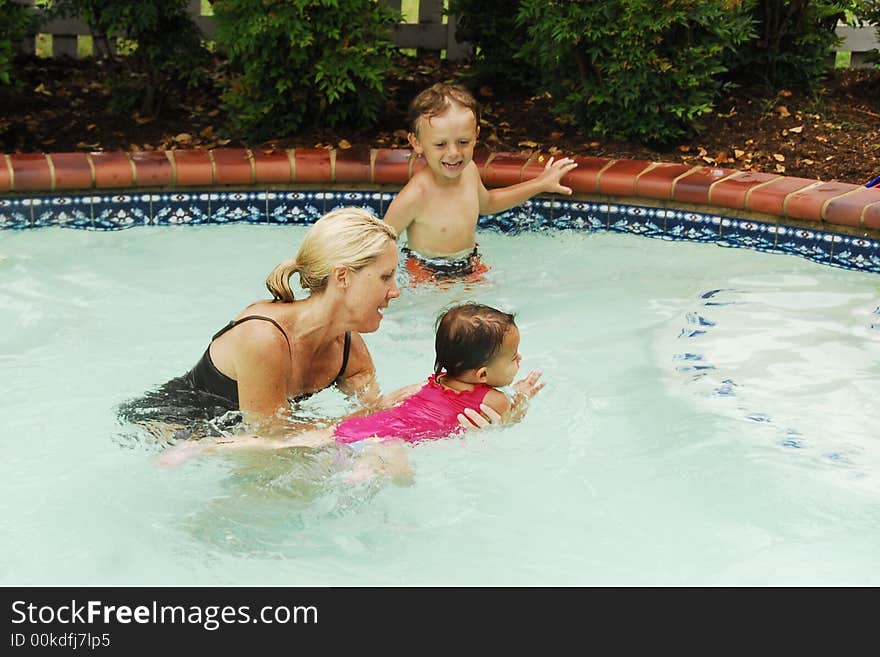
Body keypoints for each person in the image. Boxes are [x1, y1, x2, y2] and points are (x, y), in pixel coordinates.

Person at [118, 207, 412, 439]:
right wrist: (363, 420)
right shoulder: (263, 338)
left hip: (223, 442)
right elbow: (269, 438)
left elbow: (374, 416)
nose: (395, 291)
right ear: (343, 277)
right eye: (386, 276)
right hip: (158, 435)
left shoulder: (348, 349)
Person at [157, 303, 545, 478]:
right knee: (396, 469)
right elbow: (509, 418)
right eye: (513, 359)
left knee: (289, 443)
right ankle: (359, 475)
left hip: (361, 426)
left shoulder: (431, 382)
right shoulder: (493, 399)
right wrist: (523, 396)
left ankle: (201, 447)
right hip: (390, 438)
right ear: (480, 375)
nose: (519, 362)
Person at [383, 82, 578, 282]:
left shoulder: (469, 171)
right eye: (441, 144)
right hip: (425, 269)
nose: (453, 153)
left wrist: (540, 184)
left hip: (469, 262)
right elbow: (381, 243)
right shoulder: (416, 195)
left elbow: (489, 203)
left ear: (476, 136)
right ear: (417, 143)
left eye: (463, 142)